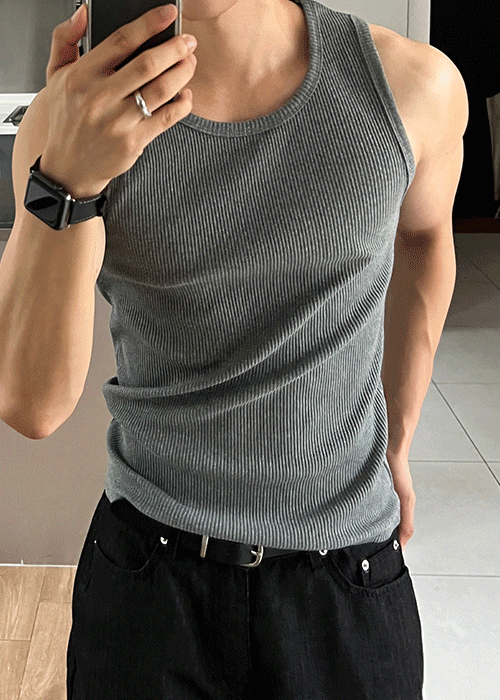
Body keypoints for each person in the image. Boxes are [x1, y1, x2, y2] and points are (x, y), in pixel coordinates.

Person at [6, 0, 438, 697]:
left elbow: (426, 237)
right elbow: (33, 403)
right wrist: (68, 175)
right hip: (149, 578)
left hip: (344, 575)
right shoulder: (72, 118)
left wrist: (400, 439)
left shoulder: (409, 85)